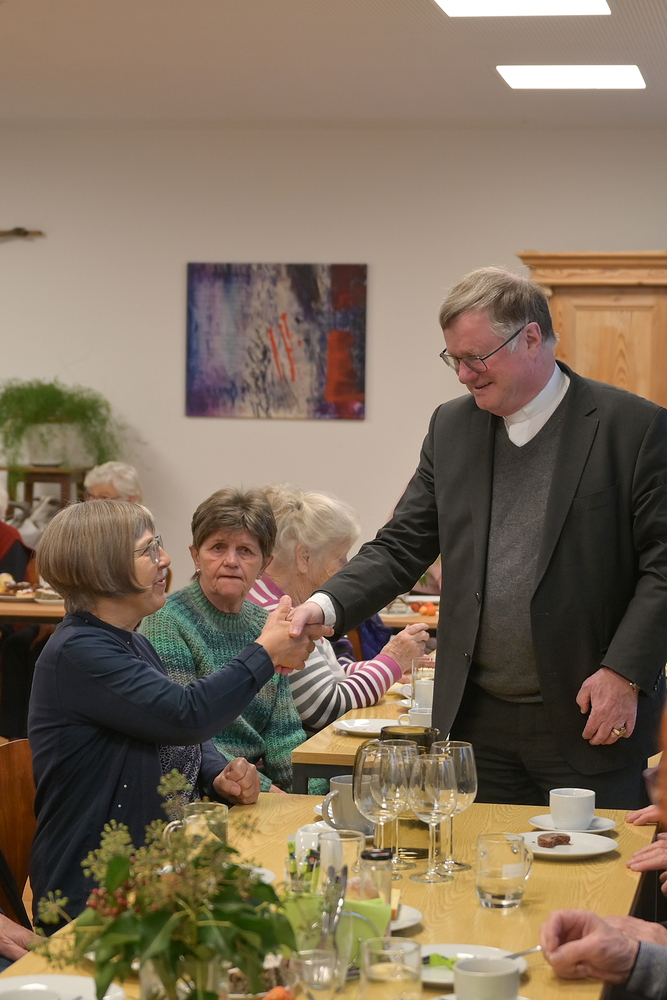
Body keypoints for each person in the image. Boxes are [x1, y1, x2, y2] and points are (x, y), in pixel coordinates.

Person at [289, 266, 667, 808]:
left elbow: (662, 567)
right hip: (475, 721)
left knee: (596, 862)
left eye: (476, 358)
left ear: (531, 337)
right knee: (474, 858)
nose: (464, 375)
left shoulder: (632, 428)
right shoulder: (451, 428)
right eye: (454, 359)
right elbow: (402, 545)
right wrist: (324, 606)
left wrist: (625, 672)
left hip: (589, 713)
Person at [28, 499, 324, 923]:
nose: (165, 559)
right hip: (95, 897)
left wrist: (217, 774)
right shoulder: (79, 652)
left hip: (155, 875)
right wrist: (264, 652)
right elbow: (187, 715)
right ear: (104, 566)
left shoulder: (130, 642)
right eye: (149, 549)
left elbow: (171, 727)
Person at [140, 488, 327, 794]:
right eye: (217, 547)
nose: (231, 561)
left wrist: (315, 799)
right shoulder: (167, 621)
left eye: (245, 551)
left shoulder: (267, 625)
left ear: (264, 564)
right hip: (202, 791)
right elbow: (185, 736)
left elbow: (284, 736)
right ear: (195, 556)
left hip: (256, 791)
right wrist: (266, 791)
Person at [248, 484, 428, 731]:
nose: (347, 568)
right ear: (304, 557)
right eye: (339, 557)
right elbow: (326, 707)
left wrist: (392, 666)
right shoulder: (280, 615)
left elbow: (332, 674)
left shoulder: (287, 603)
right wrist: (392, 660)